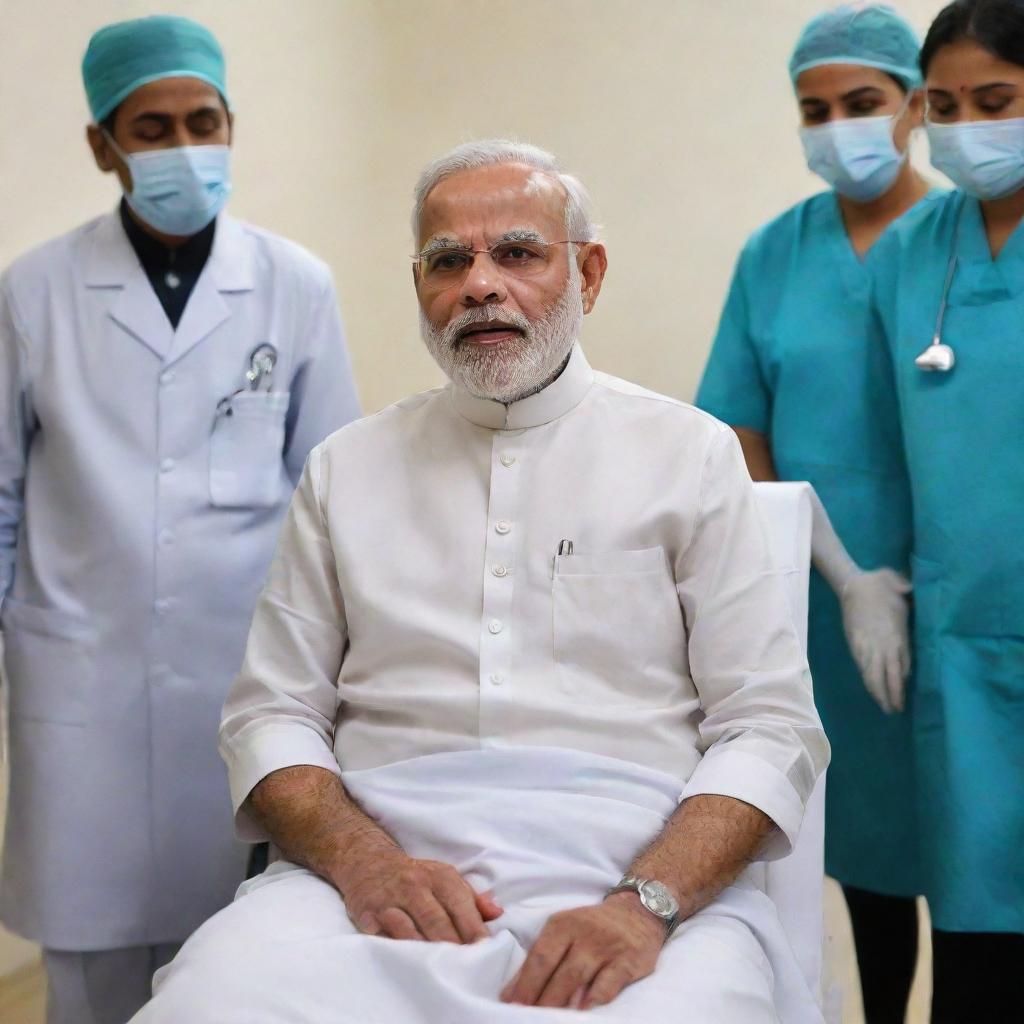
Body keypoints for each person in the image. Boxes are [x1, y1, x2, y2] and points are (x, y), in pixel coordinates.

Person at [129, 140, 830, 1023]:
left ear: (590, 272)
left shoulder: (688, 455)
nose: (480, 285)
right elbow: (271, 716)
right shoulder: (348, 467)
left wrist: (645, 903)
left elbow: (768, 726)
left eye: (519, 253)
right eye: (448, 260)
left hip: (631, 873)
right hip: (375, 875)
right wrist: (364, 862)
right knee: (206, 1004)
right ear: (419, 285)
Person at [0, 15, 360, 1024]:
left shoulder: (294, 284)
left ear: (232, 125)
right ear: (102, 146)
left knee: (239, 964)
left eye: (203, 121)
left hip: (245, 673)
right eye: (151, 128)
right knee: (90, 969)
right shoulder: (34, 291)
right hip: (80, 674)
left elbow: (333, 496)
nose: (183, 148)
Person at [695, 6, 934, 1021]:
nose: (839, 125)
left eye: (863, 103)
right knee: (863, 843)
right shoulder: (773, 254)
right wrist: (838, 573)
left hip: (962, 590)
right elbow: (736, 425)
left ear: (915, 107)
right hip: (820, 597)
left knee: (974, 836)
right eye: (815, 108)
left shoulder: (966, 239)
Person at [866, 1, 1024, 1018]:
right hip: (962, 644)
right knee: (976, 947)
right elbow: (882, 447)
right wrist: (866, 584)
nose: (967, 127)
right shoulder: (906, 256)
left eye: (997, 102)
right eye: (947, 106)